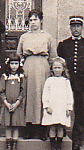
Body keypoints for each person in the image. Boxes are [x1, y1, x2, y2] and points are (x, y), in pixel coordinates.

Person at [56, 15, 84, 150]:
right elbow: (58, 64)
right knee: (62, 108)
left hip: (82, 85)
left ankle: (77, 140)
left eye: (78, 26)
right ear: (70, 28)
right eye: (73, 26)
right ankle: (60, 135)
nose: (75, 29)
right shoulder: (63, 45)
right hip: (66, 84)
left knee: (80, 112)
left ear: (82, 27)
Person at [16, 9, 56, 139]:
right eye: (31, 20)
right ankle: (28, 127)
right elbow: (19, 54)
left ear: (41, 21)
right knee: (28, 95)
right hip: (28, 65)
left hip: (42, 66)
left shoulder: (47, 37)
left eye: (36, 19)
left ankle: (42, 129)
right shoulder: (24, 37)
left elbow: (53, 56)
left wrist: (50, 70)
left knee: (41, 95)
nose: (33, 22)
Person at [41, 58, 74, 150]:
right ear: (52, 69)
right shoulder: (49, 81)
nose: (57, 70)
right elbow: (45, 94)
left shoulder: (66, 81)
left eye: (59, 68)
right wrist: (47, 106)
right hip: (52, 108)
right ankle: (53, 147)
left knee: (60, 128)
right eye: (55, 68)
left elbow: (69, 95)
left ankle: (59, 147)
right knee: (52, 127)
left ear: (63, 69)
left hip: (62, 108)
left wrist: (68, 108)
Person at [0, 56, 26, 150]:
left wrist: (16, 103)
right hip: (7, 105)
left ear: (19, 65)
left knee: (15, 125)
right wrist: (6, 103)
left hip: (17, 106)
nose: (14, 66)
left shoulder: (21, 77)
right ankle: (8, 147)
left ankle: (14, 147)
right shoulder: (5, 76)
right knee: (8, 126)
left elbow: (23, 91)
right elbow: (1, 91)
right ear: (8, 64)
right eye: (12, 64)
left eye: (16, 64)